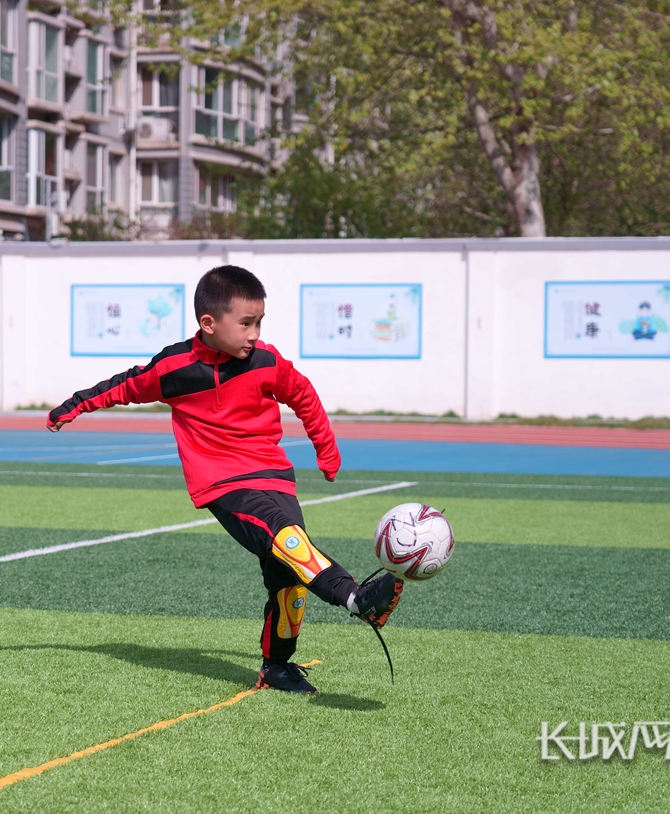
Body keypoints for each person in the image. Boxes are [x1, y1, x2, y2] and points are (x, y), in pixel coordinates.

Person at [47, 265, 403, 694]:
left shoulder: (267, 362)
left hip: (273, 475)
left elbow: (303, 395)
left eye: (260, 323)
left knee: (289, 576)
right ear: (209, 323)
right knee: (285, 537)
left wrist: (327, 450)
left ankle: (277, 667)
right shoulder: (173, 368)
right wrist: (74, 406)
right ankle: (354, 597)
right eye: (246, 323)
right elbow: (123, 386)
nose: (255, 334)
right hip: (223, 483)